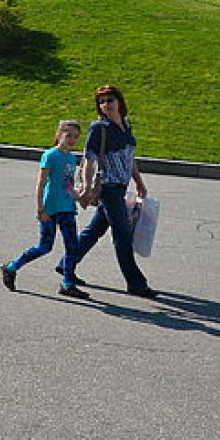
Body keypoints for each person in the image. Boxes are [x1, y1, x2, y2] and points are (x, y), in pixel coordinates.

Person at [71, 85, 155, 296]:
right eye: (102, 102)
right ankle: (136, 283)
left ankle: (66, 264)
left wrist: (139, 181)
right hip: (108, 188)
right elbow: (89, 159)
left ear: (119, 102)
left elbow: (129, 158)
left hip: (121, 187)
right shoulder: (99, 128)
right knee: (123, 234)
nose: (106, 105)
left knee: (94, 230)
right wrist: (87, 187)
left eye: (110, 100)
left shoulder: (126, 125)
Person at [1, 120, 84, 298]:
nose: (72, 139)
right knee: (45, 247)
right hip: (50, 209)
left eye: (75, 136)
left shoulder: (71, 158)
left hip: (67, 208)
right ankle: (11, 267)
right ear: (59, 134)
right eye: (68, 135)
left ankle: (67, 284)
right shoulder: (51, 155)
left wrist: (79, 197)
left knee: (72, 246)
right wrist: (40, 209)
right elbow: (41, 183)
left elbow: (68, 184)